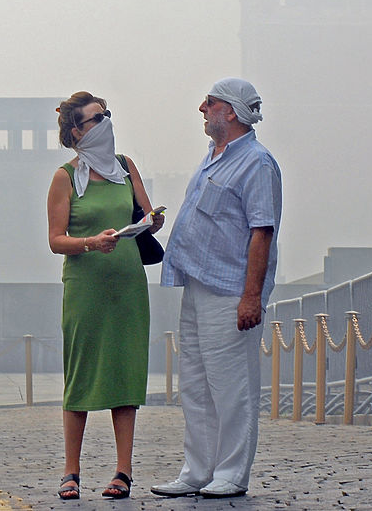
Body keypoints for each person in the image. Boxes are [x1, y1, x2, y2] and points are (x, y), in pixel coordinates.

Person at [152, 78, 282, 500]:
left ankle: (231, 472)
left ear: (231, 110)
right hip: (197, 286)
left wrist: (251, 297)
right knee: (196, 384)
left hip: (230, 292)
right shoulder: (213, 157)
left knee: (231, 386)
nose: (202, 108)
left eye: (210, 103)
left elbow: (261, 232)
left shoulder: (257, 163)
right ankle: (197, 469)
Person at [46, 91, 164, 501]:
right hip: (86, 288)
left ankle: (123, 471)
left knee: (124, 371)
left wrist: (152, 221)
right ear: (78, 130)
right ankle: (71, 471)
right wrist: (92, 243)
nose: (107, 122)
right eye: (98, 118)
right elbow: (56, 240)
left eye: (107, 115)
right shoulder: (65, 177)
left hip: (127, 284)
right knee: (80, 373)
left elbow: (147, 217)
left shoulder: (126, 168)